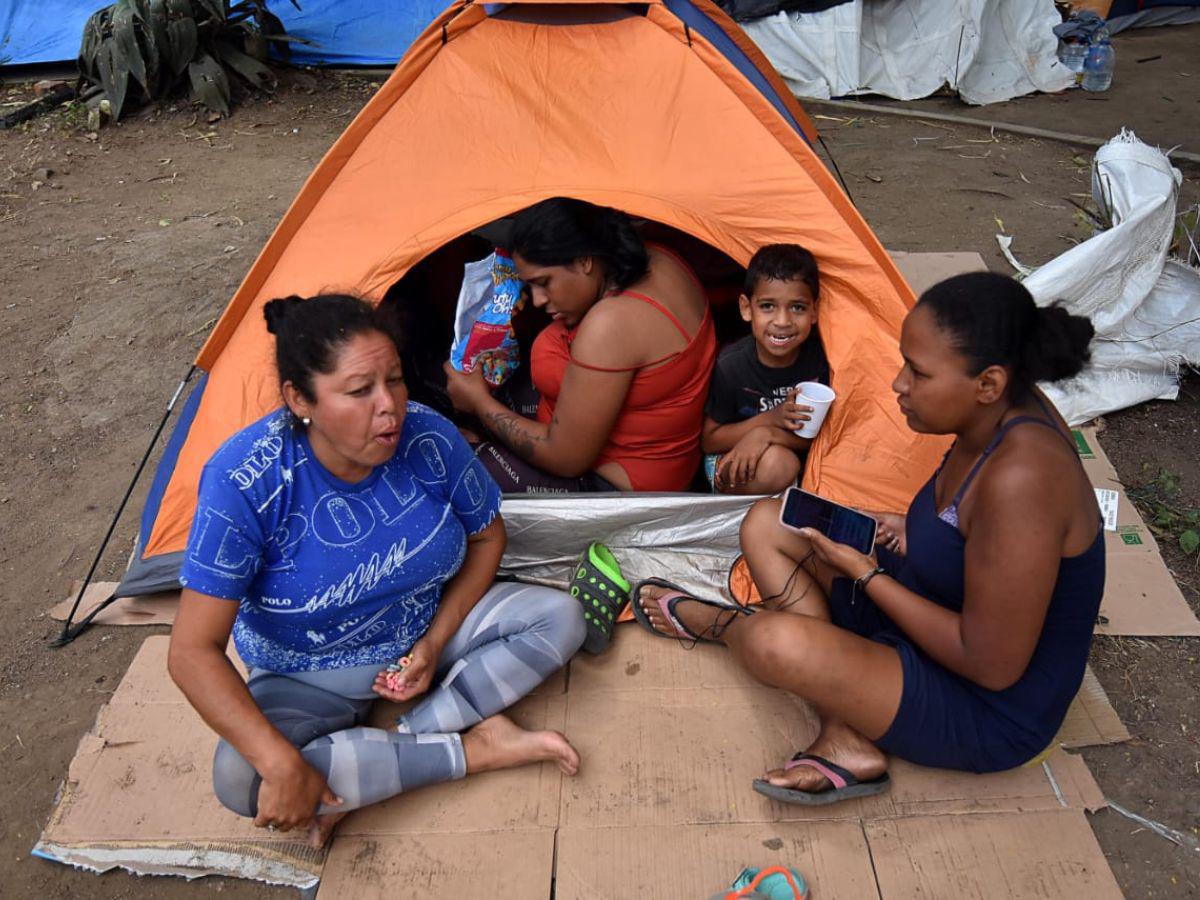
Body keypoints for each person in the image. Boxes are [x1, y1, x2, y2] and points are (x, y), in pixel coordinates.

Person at [634, 272, 1103, 802]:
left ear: (988, 384)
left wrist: (867, 573)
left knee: (772, 641)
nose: (898, 383)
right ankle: (845, 728)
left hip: (983, 704)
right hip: (931, 602)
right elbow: (967, 527)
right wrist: (907, 528)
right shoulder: (994, 412)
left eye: (918, 373)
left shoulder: (1026, 479)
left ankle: (726, 627)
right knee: (771, 522)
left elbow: (990, 665)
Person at [168, 294, 586, 847]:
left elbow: (488, 536)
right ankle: (471, 748)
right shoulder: (245, 481)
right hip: (306, 675)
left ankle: (395, 749)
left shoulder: (429, 435)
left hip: (427, 633)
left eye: (394, 380)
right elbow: (191, 652)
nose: (389, 406)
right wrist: (281, 764)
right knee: (242, 778)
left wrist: (434, 643)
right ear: (300, 399)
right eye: (360, 391)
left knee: (560, 617)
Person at [443, 197, 717, 493]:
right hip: (659, 458)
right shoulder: (659, 259)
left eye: (544, 282)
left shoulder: (612, 324)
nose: (537, 300)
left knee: (449, 459)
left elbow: (565, 458)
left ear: (584, 260)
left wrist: (480, 403)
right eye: (530, 287)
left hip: (614, 488)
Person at [702, 244, 828, 494]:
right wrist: (770, 419)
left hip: (790, 454)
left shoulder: (821, 361)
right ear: (747, 308)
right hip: (730, 458)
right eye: (768, 306)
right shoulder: (732, 366)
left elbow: (823, 436)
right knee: (779, 464)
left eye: (798, 307)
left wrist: (767, 434)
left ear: (814, 311)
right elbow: (709, 440)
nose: (782, 322)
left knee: (783, 461)